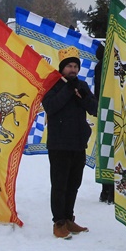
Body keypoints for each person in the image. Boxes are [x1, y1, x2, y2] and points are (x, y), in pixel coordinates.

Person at [42, 46, 98, 239]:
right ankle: (58, 222)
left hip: (77, 143)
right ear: (62, 68)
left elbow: (94, 109)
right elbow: (50, 106)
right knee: (59, 184)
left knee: (74, 183)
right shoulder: (53, 85)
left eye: (75, 66)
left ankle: (68, 218)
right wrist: (67, 90)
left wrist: (82, 96)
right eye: (69, 66)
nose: (73, 69)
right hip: (59, 144)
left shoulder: (81, 85)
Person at [94, 43, 116, 205]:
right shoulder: (109, 65)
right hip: (112, 108)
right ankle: (111, 190)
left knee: (106, 150)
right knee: (113, 151)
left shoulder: (99, 65)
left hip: (103, 108)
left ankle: (105, 190)